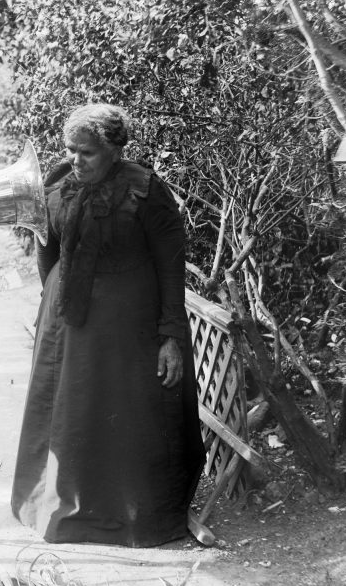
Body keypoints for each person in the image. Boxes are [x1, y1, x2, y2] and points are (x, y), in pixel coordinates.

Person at [11, 103, 204, 547]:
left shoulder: (146, 191)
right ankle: (59, 505)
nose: (76, 160)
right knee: (71, 409)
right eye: (71, 150)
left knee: (120, 412)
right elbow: (46, 247)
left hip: (126, 326)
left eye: (87, 153)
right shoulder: (58, 182)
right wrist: (56, 302)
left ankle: (125, 515)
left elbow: (171, 269)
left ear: (115, 150)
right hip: (68, 323)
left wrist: (170, 337)